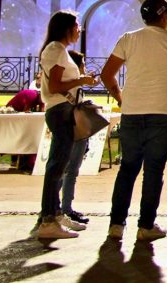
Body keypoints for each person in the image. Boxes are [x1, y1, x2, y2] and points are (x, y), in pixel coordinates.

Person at [100, 0, 167, 242]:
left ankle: (116, 225)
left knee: (127, 169)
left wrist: (120, 97)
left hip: (132, 113)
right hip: (163, 115)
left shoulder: (129, 39)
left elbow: (107, 74)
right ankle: (146, 226)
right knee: (154, 171)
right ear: (163, 15)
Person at [35, 10, 97, 240]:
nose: (79, 29)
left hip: (64, 110)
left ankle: (56, 215)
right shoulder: (55, 50)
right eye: (77, 25)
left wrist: (82, 81)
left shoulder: (59, 50)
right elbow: (56, 86)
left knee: (59, 165)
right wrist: (82, 80)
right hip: (60, 110)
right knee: (56, 167)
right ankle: (48, 220)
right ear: (66, 28)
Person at [60, 50, 92, 225]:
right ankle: (64, 208)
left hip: (71, 129)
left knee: (65, 170)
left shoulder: (71, 84)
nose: (85, 67)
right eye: (83, 63)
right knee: (70, 170)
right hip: (76, 131)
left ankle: (60, 207)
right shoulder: (73, 85)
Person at [6, 84, 43, 172]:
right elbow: (26, 110)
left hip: (20, 113)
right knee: (18, 134)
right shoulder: (32, 94)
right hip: (13, 111)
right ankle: (15, 160)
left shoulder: (39, 98)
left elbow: (42, 110)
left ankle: (18, 160)